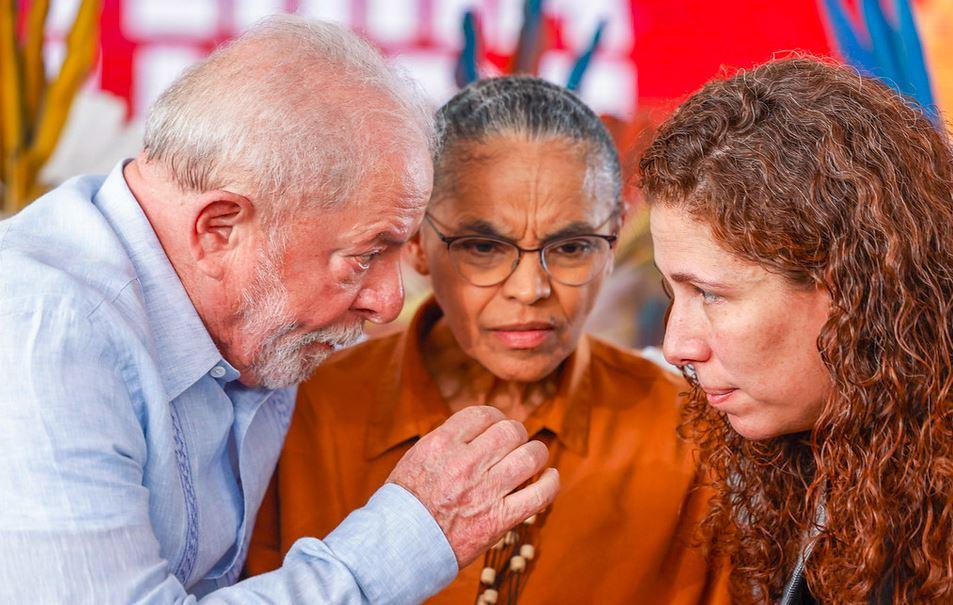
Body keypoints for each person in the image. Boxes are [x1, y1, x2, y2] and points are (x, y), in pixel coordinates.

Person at [0, 16, 559, 602]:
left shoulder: (256, 317)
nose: (390, 303)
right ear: (219, 229)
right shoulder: (44, 334)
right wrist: (414, 535)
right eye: (366, 255)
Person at [246, 76, 729, 605]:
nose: (530, 289)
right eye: (483, 247)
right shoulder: (299, 414)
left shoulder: (689, 433)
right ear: (416, 242)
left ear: (615, 236)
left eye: (572, 247)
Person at [641, 57, 953, 605]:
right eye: (673, 291)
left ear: (852, 287)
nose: (676, 346)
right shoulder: (823, 462)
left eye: (710, 293)